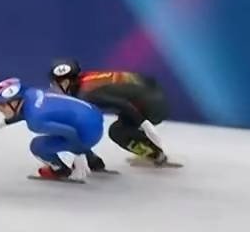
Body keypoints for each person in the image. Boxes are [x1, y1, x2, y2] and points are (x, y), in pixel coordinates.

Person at [46, 59, 176, 167]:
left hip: (153, 107)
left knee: (117, 132)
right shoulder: (87, 78)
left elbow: (123, 105)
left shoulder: (85, 94)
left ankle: (156, 155)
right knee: (125, 123)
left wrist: (145, 124)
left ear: (66, 82)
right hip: (153, 93)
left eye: (55, 84)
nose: (54, 88)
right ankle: (149, 147)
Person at [0, 76, 107, 182]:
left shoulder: (35, 121)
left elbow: (70, 132)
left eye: (2, 104)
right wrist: (6, 122)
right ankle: (94, 161)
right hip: (92, 115)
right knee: (64, 129)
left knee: (37, 146)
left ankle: (60, 170)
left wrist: (79, 155)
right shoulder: (31, 93)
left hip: (88, 134)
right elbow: (25, 111)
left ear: (14, 102)